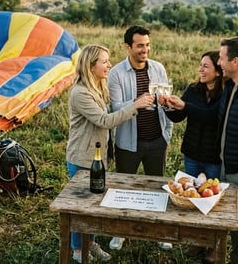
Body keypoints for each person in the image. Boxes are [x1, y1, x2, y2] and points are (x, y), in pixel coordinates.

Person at [167, 36, 238, 264]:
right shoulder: (232, 88)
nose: (220, 63)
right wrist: (183, 106)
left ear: (235, 61)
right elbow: (211, 117)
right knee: (233, 224)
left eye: (222, 58)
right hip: (229, 167)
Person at [66, 44, 155, 263]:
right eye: (104, 61)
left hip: (97, 156)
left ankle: (91, 243)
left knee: (95, 204)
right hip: (82, 159)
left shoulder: (97, 86)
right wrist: (136, 105)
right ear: (90, 65)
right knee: (81, 207)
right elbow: (105, 121)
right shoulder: (80, 93)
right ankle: (78, 248)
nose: (109, 65)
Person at [107, 25, 173, 251]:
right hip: (128, 142)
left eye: (147, 45)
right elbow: (115, 107)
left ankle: (159, 232)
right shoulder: (116, 73)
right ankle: (120, 233)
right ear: (128, 47)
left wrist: (167, 135)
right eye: (140, 46)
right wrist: (136, 104)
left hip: (157, 140)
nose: (145, 50)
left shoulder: (158, 68)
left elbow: (166, 102)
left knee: (158, 188)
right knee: (124, 188)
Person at [160, 50, 224, 262]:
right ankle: (197, 243)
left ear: (218, 70)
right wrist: (167, 106)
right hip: (193, 153)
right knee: (191, 198)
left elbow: (212, 117)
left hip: (214, 156)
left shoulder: (226, 93)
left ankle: (214, 247)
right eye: (200, 65)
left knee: (212, 202)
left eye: (206, 66)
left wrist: (186, 106)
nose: (200, 69)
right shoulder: (193, 89)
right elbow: (180, 116)